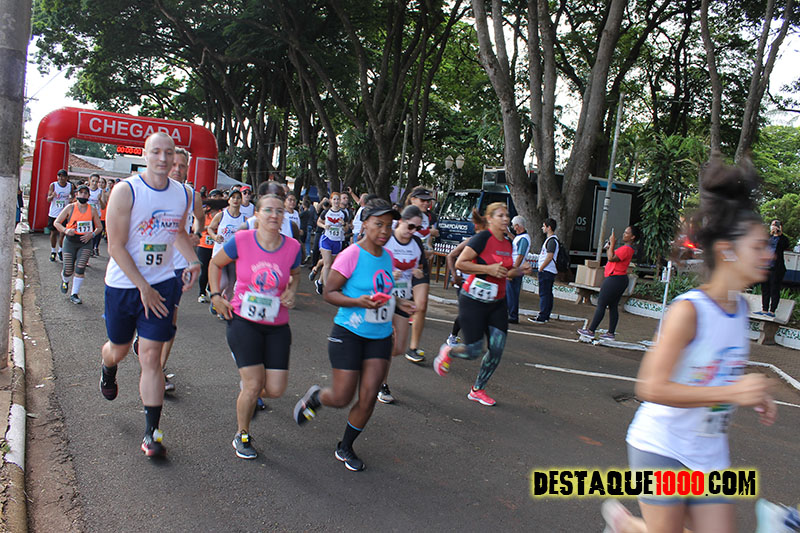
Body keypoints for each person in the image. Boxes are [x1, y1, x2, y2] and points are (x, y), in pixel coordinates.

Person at [601, 160, 778, 533]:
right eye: (759, 246)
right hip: (661, 445)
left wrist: (750, 391)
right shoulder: (689, 311)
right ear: (728, 251)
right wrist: (732, 392)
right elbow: (650, 387)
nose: (770, 254)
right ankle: (630, 526)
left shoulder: (740, 310)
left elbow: (714, 369)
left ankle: (629, 527)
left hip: (709, 452)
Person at [99, 132, 201, 458]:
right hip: (124, 286)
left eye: (168, 153)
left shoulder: (183, 194)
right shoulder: (126, 191)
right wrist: (143, 287)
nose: (163, 158)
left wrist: (194, 260)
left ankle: (151, 433)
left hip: (162, 284)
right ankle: (108, 367)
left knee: (151, 356)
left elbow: (178, 233)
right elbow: (115, 246)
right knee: (118, 349)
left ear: (175, 158)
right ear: (144, 155)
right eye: (156, 152)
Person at [293, 198, 413, 472]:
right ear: (365, 223)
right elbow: (329, 292)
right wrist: (358, 302)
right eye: (379, 224)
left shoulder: (387, 257)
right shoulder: (351, 254)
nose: (384, 231)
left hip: (379, 337)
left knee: (369, 397)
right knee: (342, 397)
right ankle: (317, 398)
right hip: (348, 333)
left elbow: (382, 293)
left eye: (389, 225)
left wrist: (399, 303)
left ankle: (345, 446)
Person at [208, 187, 301, 459]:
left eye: (279, 211)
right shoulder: (242, 240)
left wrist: (292, 290)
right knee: (252, 385)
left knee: (275, 389)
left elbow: (296, 274)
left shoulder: (293, 247)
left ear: (284, 216)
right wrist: (215, 295)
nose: (274, 215)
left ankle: (247, 395)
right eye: (268, 210)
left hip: (277, 324)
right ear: (256, 214)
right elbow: (215, 264)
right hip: (242, 321)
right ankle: (242, 434)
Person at [433, 202, 531, 406]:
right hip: (473, 301)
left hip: (497, 303)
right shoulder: (482, 238)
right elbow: (460, 263)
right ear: (490, 219)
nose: (506, 219)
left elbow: (507, 272)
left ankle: (477, 389)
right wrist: (488, 270)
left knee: (497, 348)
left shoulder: (507, 243)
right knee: (473, 351)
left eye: (507, 215)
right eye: (501, 215)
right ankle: (449, 351)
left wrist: (520, 271)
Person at [157, 147, 204, 393]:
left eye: (182, 166)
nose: (177, 169)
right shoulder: (148, 190)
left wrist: (196, 234)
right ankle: (143, 339)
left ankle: (159, 370)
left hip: (176, 265)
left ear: (187, 169)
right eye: (173, 164)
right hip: (149, 263)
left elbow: (200, 217)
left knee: (170, 321)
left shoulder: (190, 194)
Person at [379, 205, 427, 403]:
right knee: (386, 341)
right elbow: (373, 264)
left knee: (399, 347)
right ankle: (381, 384)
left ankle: (372, 361)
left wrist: (418, 273)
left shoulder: (416, 242)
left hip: (403, 298)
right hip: (383, 297)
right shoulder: (387, 239)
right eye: (410, 226)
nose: (413, 231)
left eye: (418, 228)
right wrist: (389, 273)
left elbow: (421, 266)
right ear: (400, 221)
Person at [577, 225, 641, 341]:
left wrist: (612, 244)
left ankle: (591, 330)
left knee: (601, 303)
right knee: (613, 306)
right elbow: (611, 255)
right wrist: (609, 247)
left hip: (615, 278)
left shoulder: (626, 249)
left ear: (633, 237)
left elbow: (611, 258)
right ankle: (610, 333)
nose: (624, 234)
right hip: (618, 279)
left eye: (627, 233)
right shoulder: (626, 249)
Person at [53, 185, 103, 304]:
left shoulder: (92, 210)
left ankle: (74, 294)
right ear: (76, 194)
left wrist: (92, 234)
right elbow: (57, 222)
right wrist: (65, 230)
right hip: (70, 241)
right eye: (81, 193)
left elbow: (99, 227)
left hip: (85, 242)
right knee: (68, 269)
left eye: (86, 193)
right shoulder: (70, 207)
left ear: (89, 196)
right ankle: (65, 280)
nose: (83, 195)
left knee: (80, 268)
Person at [404, 187, 438, 363]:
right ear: (413, 199)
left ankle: (413, 348)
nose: (426, 203)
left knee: (422, 304)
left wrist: (428, 249)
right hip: (402, 266)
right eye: (422, 200)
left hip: (420, 264)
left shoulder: (428, 218)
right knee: (396, 306)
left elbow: (426, 241)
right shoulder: (403, 216)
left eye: (428, 201)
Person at [445, 209, 487, 346]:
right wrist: (454, 275)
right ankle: (453, 336)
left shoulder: (490, 244)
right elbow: (450, 256)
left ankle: (474, 339)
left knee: (480, 312)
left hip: (478, 283)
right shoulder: (471, 241)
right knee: (467, 311)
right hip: (464, 281)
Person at [207, 189, 246, 304]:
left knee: (231, 285)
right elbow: (210, 228)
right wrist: (215, 236)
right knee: (223, 282)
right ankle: (215, 300)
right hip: (220, 253)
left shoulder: (244, 219)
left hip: (234, 256)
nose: (235, 200)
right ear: (228, 200)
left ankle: (223, 308)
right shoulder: (221, 215)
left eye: (238, 198)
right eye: (233, 197)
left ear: (241, 201)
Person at [315, 192, 349, 295]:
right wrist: (324, 226)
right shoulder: (326, 212)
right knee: (327, 264)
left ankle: (319, 282)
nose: (336, 201)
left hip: (337, 241)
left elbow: (346, 229)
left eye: (338, 199)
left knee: (330, 263)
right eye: (334, 199)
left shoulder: (343, 214)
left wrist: (344, 224)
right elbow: (318, 222)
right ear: (330, 201)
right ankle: (327, 289)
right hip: (326, 239)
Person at [756, 219, 790, 318]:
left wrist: (780, 234)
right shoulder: (768, 237)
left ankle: (772, 311)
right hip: (765, 267)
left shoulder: (783, 239)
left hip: (776, 268)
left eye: (776, 224)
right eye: (772, 224)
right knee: (765, 289)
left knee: (774, 289)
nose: (774, 226)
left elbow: (786, 245)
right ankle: (764, 309)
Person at [530, 218, 558, 324]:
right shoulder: (551, 240)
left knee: (544, 293)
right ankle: (545, 314)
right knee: (547, 293)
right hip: (548, 270)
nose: (542, 228)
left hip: (547, 271)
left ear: (549, 227)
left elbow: (549, 256)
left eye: (544, 226)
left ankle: (543, 315)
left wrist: (541, 268)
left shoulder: (551, 241)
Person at [506, 215, 531, 324]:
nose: (513, 228)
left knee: (512, 293)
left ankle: (513, 315)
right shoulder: (521, 237)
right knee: (511, 292)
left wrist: (513, 270)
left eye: (514, 226)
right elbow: (516, 243)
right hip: (516, 268)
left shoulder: (523, 239)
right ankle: (511, 314)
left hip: (517, 269)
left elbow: (520, 256)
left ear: (517, 226)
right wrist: (508, 234)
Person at [47, 169, 74, 261]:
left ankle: (60, 250)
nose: (61, 178)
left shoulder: (70, 186)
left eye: (63, 176)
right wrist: (52, 196)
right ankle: (53, 251)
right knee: (53, 233)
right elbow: (48, 199)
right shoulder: (53, 185)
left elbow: (73, 196)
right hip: (54, 213)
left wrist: (71, 200)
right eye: (59, 176)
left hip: (65, 214)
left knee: (63, 233)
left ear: (66, 178)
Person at [87, 173, 106, 256]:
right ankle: (88, 248)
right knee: (88, 232)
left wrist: (100, 200)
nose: (94, 183)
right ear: (89, 180)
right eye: (93, 181)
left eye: (96, 181)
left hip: (96, 215)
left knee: (96, 233)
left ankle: (94, 247)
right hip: (86, 215)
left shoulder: (100, 191)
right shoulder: (86, 190)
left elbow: (103, 206)